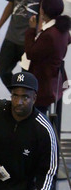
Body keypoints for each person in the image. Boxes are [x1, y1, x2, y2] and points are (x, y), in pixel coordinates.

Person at [24, 0, 71, 138]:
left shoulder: (50, 35)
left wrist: (32, 30)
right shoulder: (61, 30)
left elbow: (31, 53)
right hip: (55, 80)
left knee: (38, 119)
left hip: (44, 82)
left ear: (43, 11)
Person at [0, 0, 40, 90]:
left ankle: (25, 98)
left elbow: (44, 13)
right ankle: (17, 94)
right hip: (11, 38)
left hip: (29, 42)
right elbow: (11, 5)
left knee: (26, 77)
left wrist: (37, 35)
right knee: (3, 70)